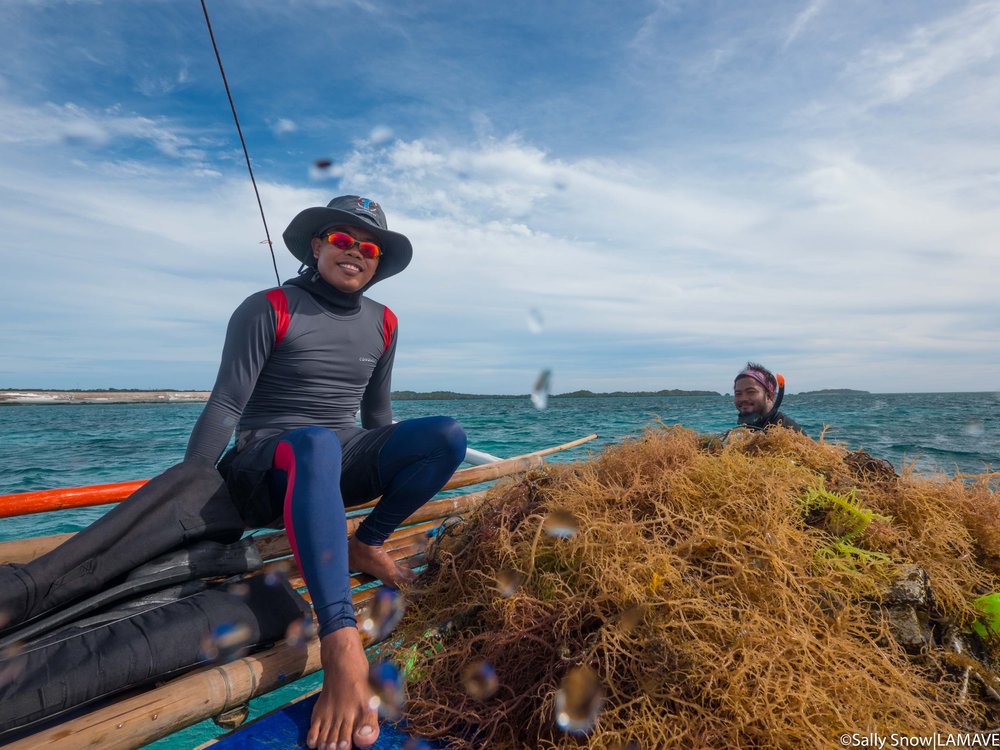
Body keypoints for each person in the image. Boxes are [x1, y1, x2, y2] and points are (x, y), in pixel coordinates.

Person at [185, 195, 467, 750]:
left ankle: (368, 543)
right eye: (343, 239)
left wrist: (397, 461)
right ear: (317, 246)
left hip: (335, 461)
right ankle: (341, 641)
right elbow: (225, 405)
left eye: (369, 248)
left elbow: (377, 419)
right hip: (267, 466)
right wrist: (186, 497)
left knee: (445, 435)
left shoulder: (384, 321)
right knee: (315, 442)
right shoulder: (268, 306)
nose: (356, 253)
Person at [732, 361, 804, 433]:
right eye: (738, 393)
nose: (743, 398)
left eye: (751, 392)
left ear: (770, 395)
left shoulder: (788, 431)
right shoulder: (746, 430)